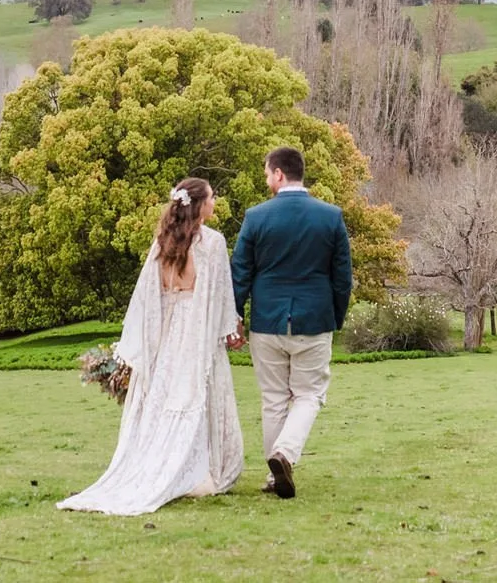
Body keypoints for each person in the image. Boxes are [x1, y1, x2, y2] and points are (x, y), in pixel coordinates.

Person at [58, 177, 244, 515]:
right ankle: (203, 470)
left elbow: (149, 298)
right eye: (212, 197)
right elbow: (217, 296)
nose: (215, 202)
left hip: (168, 329)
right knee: (199, 392)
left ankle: (174, 463)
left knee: (168, 395)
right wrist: (227, 331)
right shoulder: (213, 243)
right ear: (199, 204)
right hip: (195, 328)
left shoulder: (162, 242)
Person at [228, 145, 354, 500]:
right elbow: (342, 277)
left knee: (272, 399)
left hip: (267, 321)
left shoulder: (256, 217)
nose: (266, 179)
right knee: (309, 395)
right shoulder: (330, 216)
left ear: (279, 174)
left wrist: (234, 317)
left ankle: (275, 473)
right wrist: (335, 315)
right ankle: (284, 454)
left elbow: (240, 273)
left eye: (267, 173)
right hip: (314, 320)